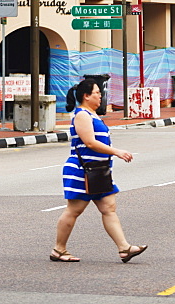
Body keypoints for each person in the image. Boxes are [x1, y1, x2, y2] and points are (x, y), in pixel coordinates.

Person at [50, 78, 147, 264]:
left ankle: (124, 248)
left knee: (108, 207)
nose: (100, 97)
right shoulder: (82, 115)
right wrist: (116, 152)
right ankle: (58, 249)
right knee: (74, 210)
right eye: (97, 93)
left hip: (98, 171)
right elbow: (90, 143)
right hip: (82, 170)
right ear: (86, 96)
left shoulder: (93, 115)